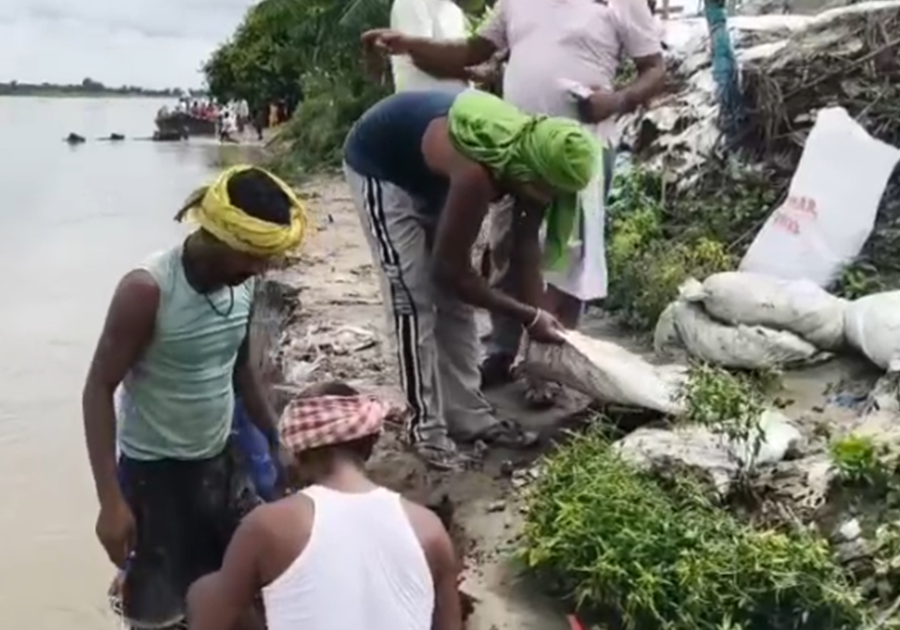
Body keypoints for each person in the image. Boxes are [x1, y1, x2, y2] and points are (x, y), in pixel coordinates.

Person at [362, 0, 667, 405]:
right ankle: (502, 351)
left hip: (577, 152)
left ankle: (549, 365)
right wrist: (409, 44)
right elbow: (472, 54)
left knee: (567, 260)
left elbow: (655, 69)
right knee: (507, 247)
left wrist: (619, 100)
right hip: (511, 150)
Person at [83, 164, 309, 630]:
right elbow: (98, 388)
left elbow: (241, 371)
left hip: (220, 461)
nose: (261, 269)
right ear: (221, 237)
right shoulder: (148, 291)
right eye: (253, 256)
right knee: (159, 614)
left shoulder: (242, 288)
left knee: (240, 599)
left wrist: (274, 439)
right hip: (153, 475)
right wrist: (109, 501)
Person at [341, 88, 599, 470]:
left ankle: (468, 416)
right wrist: (527, 316)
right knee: (413, 300)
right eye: (542, 191)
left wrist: (539, 317)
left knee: (456, 307)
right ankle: (424, 429)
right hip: (383, 168)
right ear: (528, 173)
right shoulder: (477, 173)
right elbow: (452, 271)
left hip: (433, 172)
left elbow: (525, 247)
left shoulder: (535, 161)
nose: (545, 198)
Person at [185, 381, 463, 630]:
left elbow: (214, 618)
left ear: (295, 455)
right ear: (369, 444)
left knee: (205, 593)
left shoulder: (266, 526)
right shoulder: (429, 528)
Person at [389, 0, 470, 93]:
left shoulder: (453, 9)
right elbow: (420, 55)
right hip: (424, 98)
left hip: (456, 99)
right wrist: (470, 73)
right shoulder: (413, 2)